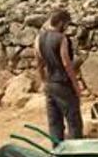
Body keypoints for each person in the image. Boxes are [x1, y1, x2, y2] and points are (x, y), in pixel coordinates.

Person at [35, 9, 84, 142]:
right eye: (67, 24)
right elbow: (66, 63)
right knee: (73, 120)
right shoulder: (62, 38)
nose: (67, 28)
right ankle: (77, 152)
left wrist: (43, 80)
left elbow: (39, 62)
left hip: (50, 83)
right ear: (61, 22)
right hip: (63, 84)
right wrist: (76, 85)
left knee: (54, 121)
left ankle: (57, 151)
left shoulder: (39, 37)